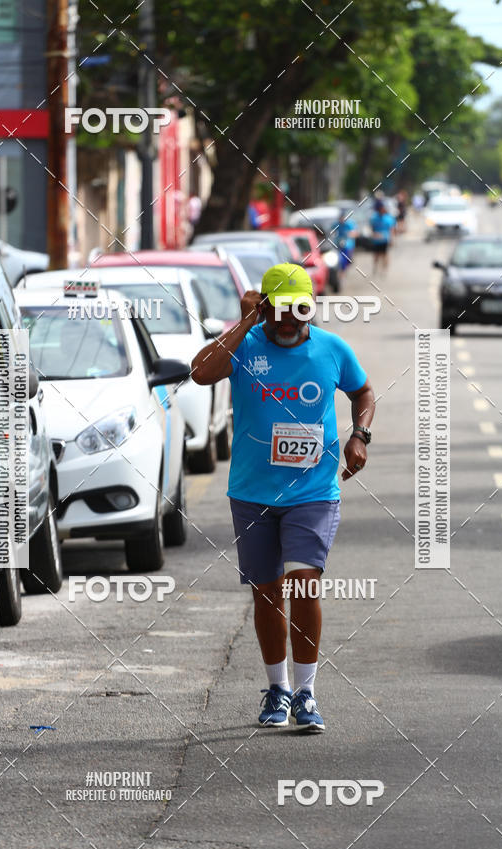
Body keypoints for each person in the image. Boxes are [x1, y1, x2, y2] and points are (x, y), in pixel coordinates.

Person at [191, 264, 374, 733]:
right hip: (252, 493)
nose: (292, 321)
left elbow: (363, 391)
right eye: (281, 311)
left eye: (301, 311)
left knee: (304, 583)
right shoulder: (245, 346)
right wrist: (246, 322)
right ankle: (278, 687)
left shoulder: (331, 349)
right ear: (265, 309)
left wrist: (361, 436)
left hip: (312, 491)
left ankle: (307, 693)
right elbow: (200, 372)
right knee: (268, 592)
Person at [369, 202, 396, 275]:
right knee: (376, 255)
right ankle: (375, 268)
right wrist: (373, 234)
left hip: (385, 239)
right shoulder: (374, 217)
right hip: (376, 240)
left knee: (385, 255)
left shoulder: (388, 218)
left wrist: (392, 239)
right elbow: (372, 227)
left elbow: (391, 229)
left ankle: (384, 270)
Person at [333, 211, 358, 280]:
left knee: (347, 258)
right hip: (339, 243)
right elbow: (332, 231)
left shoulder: (349, 224)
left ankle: (344, 270)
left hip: (348, 244)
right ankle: (341, 271)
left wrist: (350, 234)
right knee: (340, 258)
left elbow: (355, 233)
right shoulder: (336, 224)